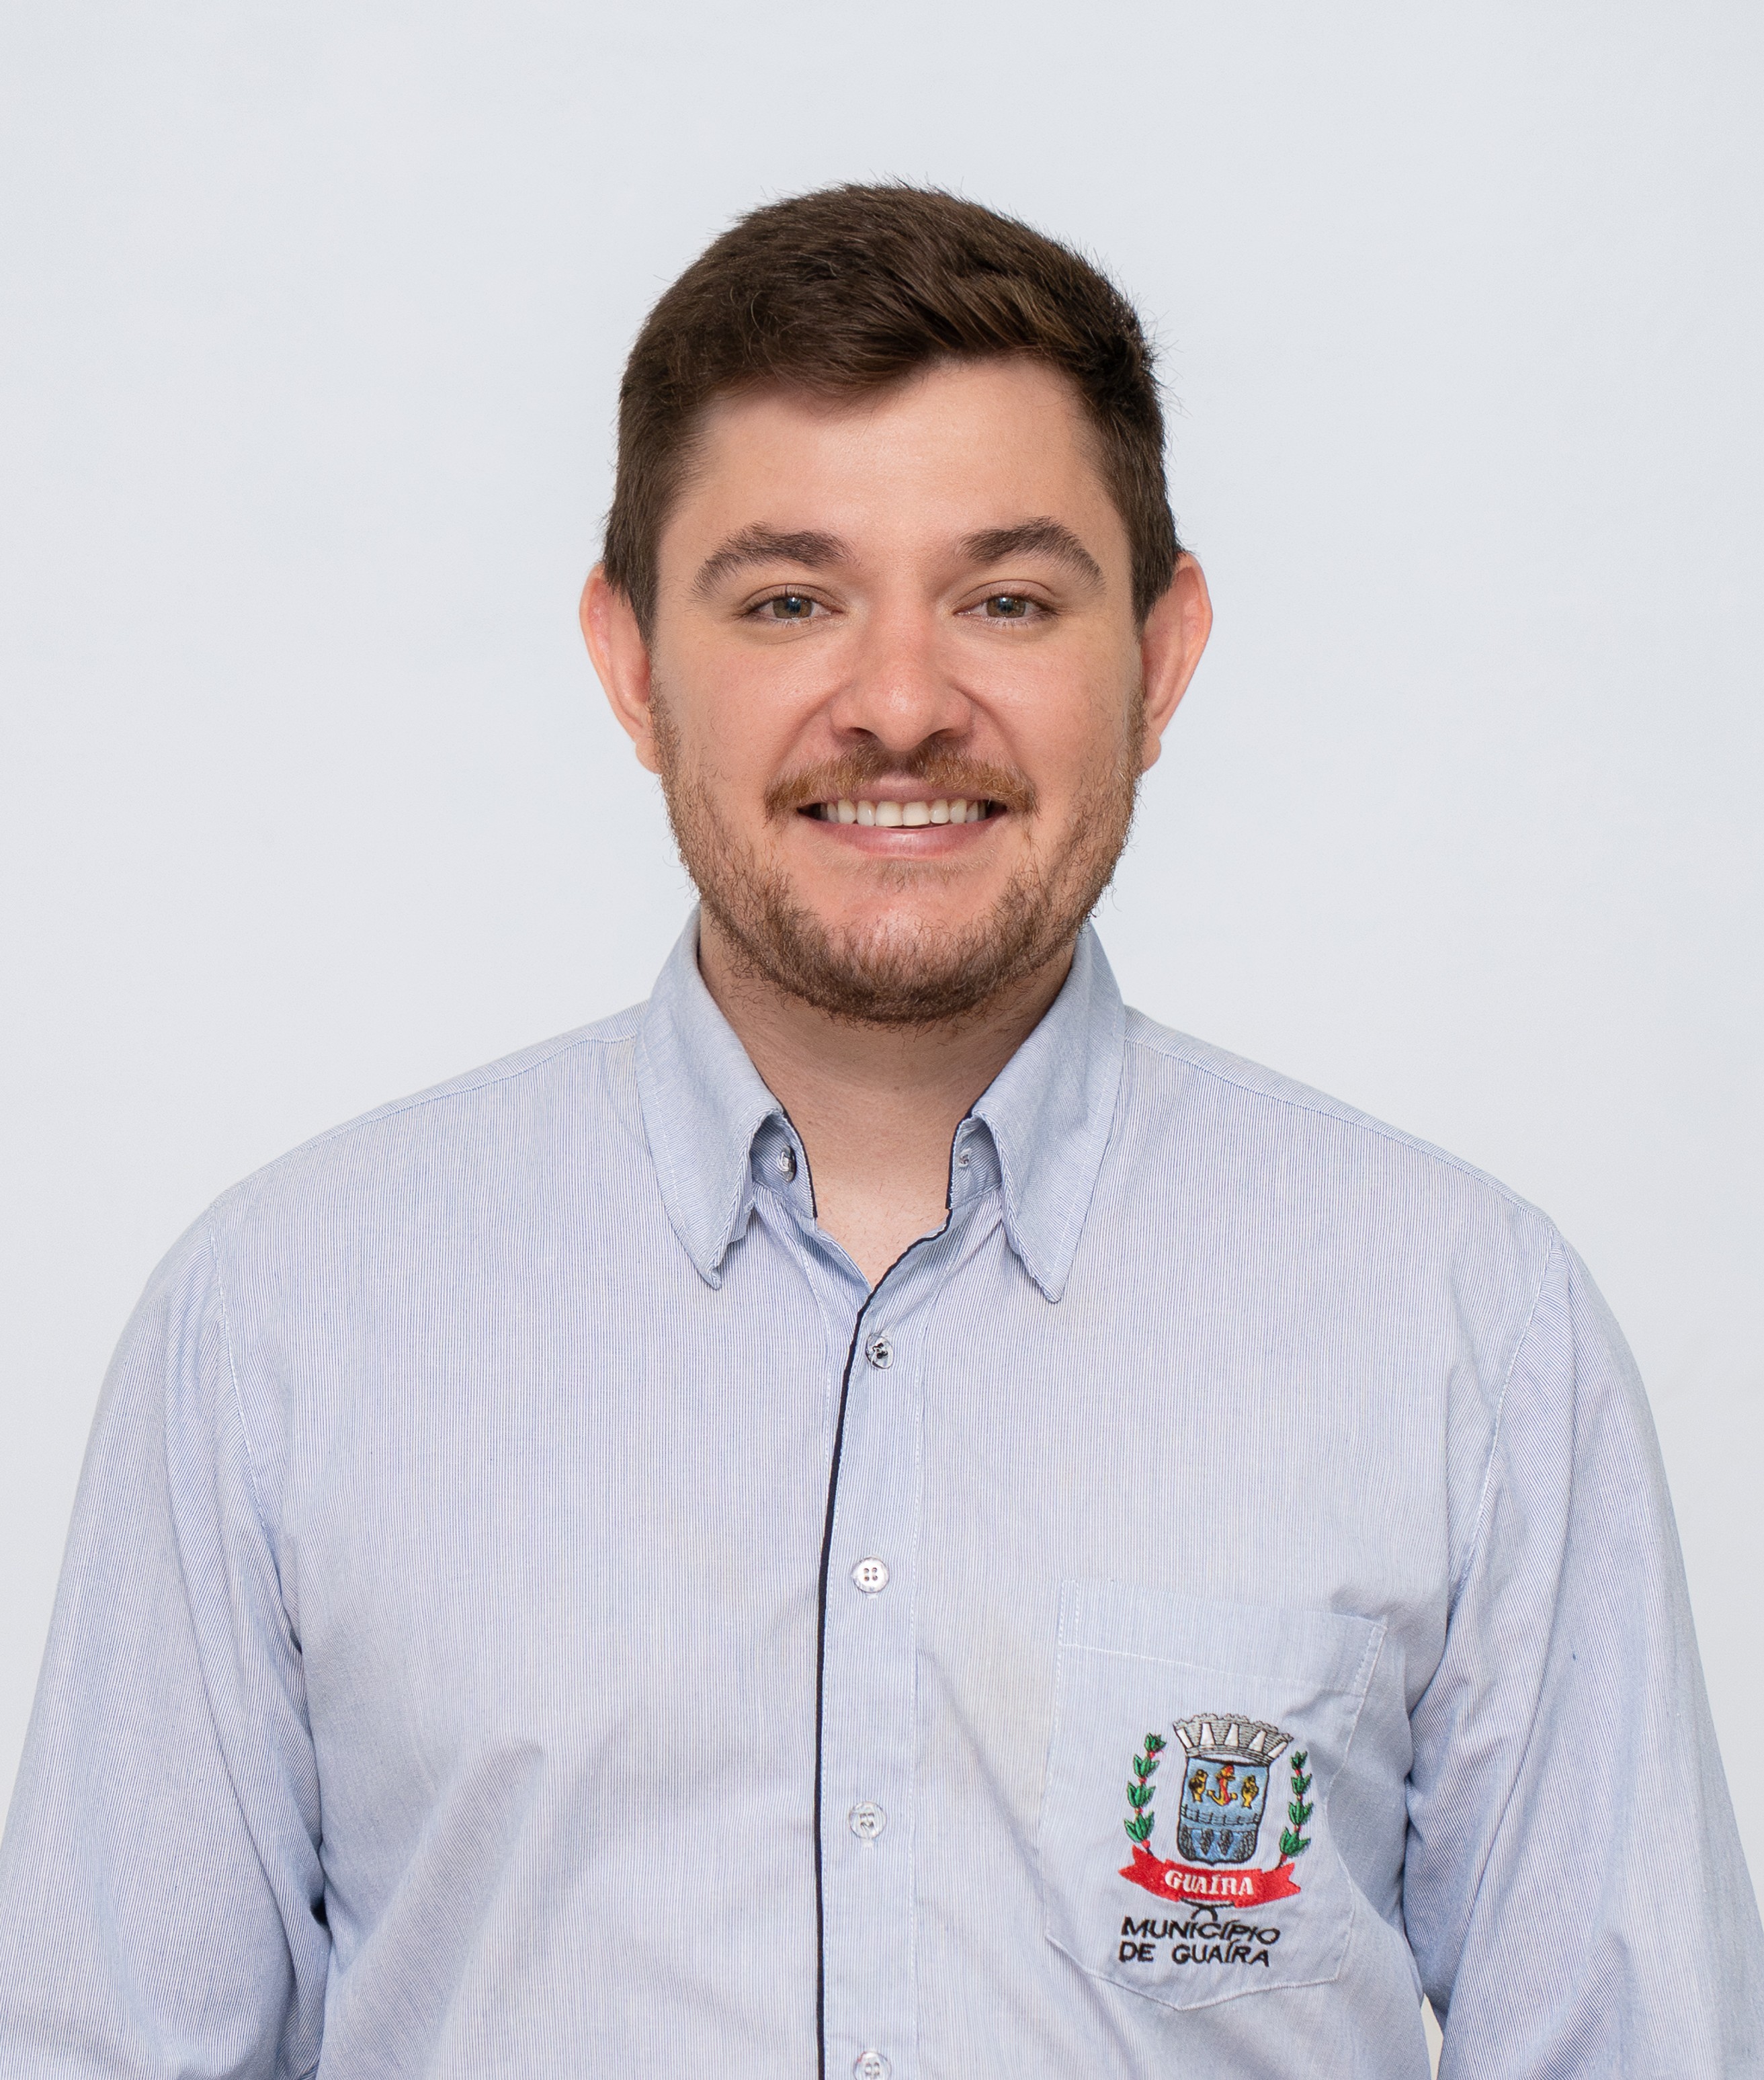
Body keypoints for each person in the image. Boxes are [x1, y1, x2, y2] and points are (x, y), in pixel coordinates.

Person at [0, 182, 1757, 2080]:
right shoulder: (283, 1321)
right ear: (630, 663)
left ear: (1160, 658)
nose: (903, 706)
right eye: (788, 600)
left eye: (1007, 601)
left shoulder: (1464, 1326)